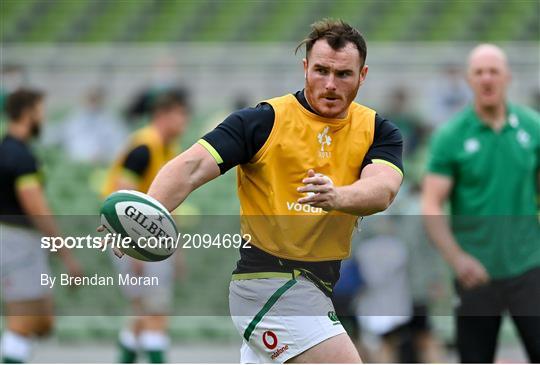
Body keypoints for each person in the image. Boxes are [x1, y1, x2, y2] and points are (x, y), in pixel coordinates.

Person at [106, 19, 403, 363]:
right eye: (321, 71)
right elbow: (190, 168)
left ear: (362, 75)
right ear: (305, 68)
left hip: (317, 287)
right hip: (270, 283)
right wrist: (143, 212)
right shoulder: (263, 121)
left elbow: (383, 188)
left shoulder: (377, 130)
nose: (330, 84)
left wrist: (339, 196)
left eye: (343, 75)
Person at [422, 44, 540, 363]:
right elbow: (431, 205)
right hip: (475, 272)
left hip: (528, 268)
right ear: (468, 80)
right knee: (475, 359)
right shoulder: (451, 136)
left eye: (494, 71)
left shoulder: (533, 128)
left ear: (508, 77)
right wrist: (457, 259)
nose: (487, 79)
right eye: (479, 72)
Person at [101, 92, 189, 363]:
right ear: (162, 116)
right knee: (155, 310)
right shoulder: (144, 147)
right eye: (179, 115)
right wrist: (131, 249)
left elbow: (164, 208)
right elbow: (121, 197)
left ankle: (124, 359)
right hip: (136, 240)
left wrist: (177, 250)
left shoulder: (165, 148)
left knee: (142, 310)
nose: (184, 122)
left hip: (148, 238)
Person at [0, 89, 82, 363]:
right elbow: (36, 208)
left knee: (43, 321)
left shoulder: (9, 150)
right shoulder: (20, 157)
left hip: (18, 242)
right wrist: (66, 253)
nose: (43, 117)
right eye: (40, 110)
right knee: (23, 321)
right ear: (28, 112)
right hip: (17, 242)